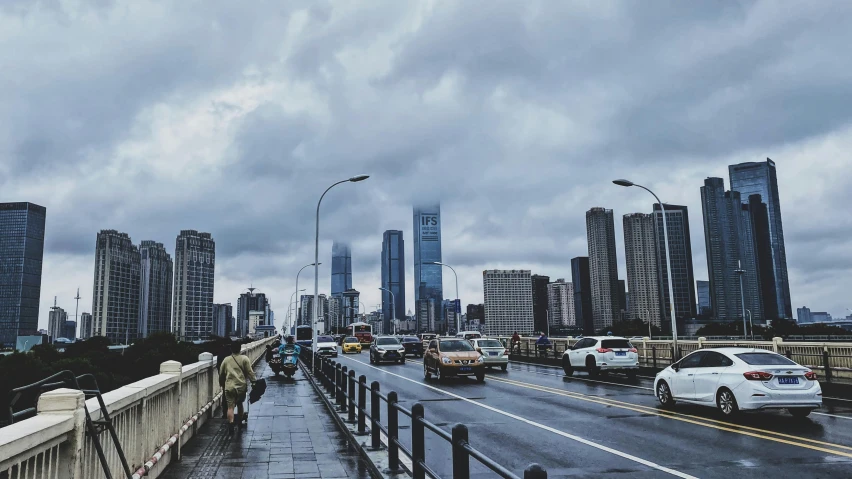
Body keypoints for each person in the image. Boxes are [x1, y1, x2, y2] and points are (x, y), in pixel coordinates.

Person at [219, 341, 256, 435]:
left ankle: (231, 424)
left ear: (231, 349)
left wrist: (222, 384)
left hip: (229, 386)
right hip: (241, 386)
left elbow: (221, 374)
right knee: (240, 404)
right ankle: (239, 422)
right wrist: (254, 383)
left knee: (230, 407)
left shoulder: (226, 360)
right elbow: (250, 373)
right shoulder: (245, 359)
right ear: (240, 348)